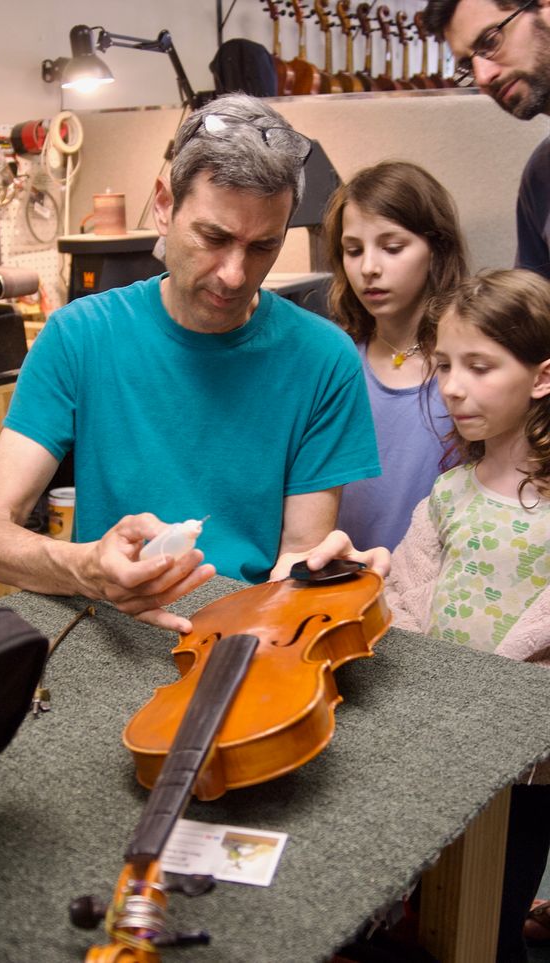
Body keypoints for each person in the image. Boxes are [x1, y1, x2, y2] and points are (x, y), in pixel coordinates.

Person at [0, 93, 381, 633]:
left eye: (262, 247)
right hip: (109, 627)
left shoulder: (324, 360)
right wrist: (86, 568)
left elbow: (297, 559)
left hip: (247, 635)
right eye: (214, 237)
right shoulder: (79, 336)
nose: (233, 274)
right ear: (163, 205)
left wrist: (328, 580)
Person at [330, 269, 550, 963]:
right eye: (447, 364)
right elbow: (409, 598)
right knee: (433, 908)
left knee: (493, 914)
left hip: (528, 758)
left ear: (543, 378)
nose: (453, 386)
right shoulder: (450, 492)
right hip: (442, 738)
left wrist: (498, 685)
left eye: (480, 366)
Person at [323, 160, 467, 551]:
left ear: (436, 248)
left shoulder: (468, 373)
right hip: (345, 591)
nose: (369, 268)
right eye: (353, 251)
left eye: (392, 247)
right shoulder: (335, 364)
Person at [422, 0, 550, 279]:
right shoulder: (540, 174)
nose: (483, 76)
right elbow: (534, 315)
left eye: (490, 41)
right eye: (468, 65)